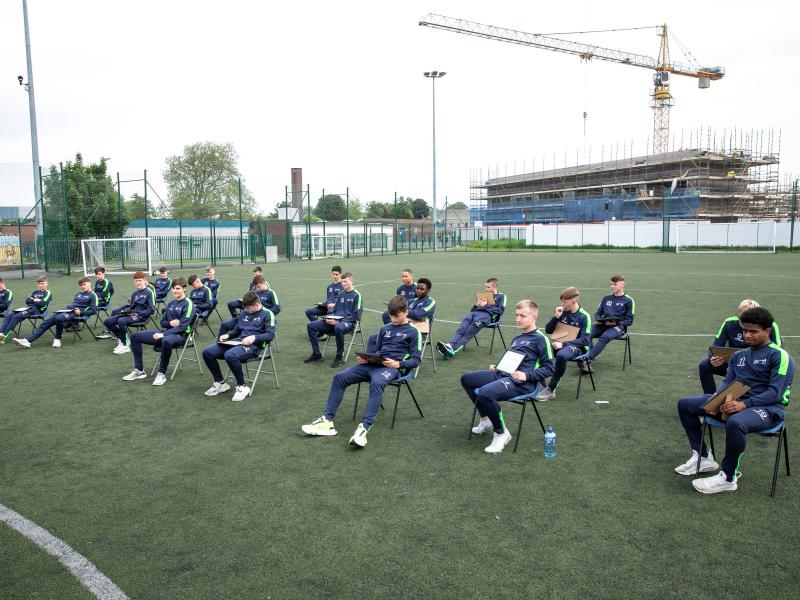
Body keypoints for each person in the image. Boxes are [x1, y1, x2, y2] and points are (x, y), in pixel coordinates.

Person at [675, 307, 795, 494]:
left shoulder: (780, 356)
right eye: (745, 331)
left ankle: (728, 478)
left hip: (768, 409)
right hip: (735, 403)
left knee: (736, 421)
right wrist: (717, 399)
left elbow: (775, 393)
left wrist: (744, 404)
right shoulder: (739, 356)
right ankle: (703, 456)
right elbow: (727, 383)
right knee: (685, 404)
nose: (747, 335)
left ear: (767, 331)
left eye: (753, 331)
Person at [301, 295, 422, 447]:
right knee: (339, 377)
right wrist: (367, 358)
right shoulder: (385, 328)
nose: (393, 319)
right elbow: (377, 351)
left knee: (377, 382)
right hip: (374, 364)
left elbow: (417, 360)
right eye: (390, 315)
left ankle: (364, 428)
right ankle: (327, 421)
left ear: (406, 312)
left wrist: (399, 364)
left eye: (396, 316)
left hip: (391, 368)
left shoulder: (414, 332)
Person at [460, 300, 554, 454]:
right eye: (516, 315)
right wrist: (498, 366)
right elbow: (513, 359)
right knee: (467, 379)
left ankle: (501, 433)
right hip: (503, 375)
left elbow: (549, 368)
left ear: (534, 316)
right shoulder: (517, 339)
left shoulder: (540, 339)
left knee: (485, 392)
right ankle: (486, 420)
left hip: (523, 383)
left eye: (523, 315)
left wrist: (526, 375)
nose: (518, 319)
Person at [202, 291, 276, 402]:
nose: (246, 310)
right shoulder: (244, 312)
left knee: (230, 355)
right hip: (237, 342)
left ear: (257, 305)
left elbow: (270, 335)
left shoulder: (267, 313)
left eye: (248, 308)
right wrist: (228, 335)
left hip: (254, 346)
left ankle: (242, 386)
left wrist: (254, 338)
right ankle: (221, 383)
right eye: (244, 308)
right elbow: (237, 330)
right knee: (207, 352)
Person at [699, 299, 782, 394]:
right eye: (742, 321)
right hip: (733, 364)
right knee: (705, 365)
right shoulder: (729, 323)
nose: (744, 326)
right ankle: (709, 398)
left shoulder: (769, 326)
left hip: (757, 368)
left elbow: (778, 352)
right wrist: (714, 357)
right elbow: (716, 346)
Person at [123, 277, 193, 386]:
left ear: (184, 289)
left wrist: (163, 334)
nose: (175, 291)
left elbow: (183, 327)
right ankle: (139, 370)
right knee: (135, 336)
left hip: (181, 336)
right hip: (167, 332)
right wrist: (170, 324)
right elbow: (162, 322)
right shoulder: (171, 304)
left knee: (166, 340)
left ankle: (161, 373)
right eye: (173, 288)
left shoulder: (188, 304)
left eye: (178, 288)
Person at [536, 287, 592, 401]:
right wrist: (556, 317)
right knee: (539, 349)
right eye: (561, 301)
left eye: (564, 302)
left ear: (574, 301)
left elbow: (585, 340)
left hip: (577, 347)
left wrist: (563, 344)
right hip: (559, 344)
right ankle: (540, 384)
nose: (562, 304)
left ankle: (551, 389)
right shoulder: (563, 312)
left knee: (561, 355)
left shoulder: (584, 316)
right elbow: (548, 330)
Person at [13, 277, 98, 349]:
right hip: (67, 310)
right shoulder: (79, 294)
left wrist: (81, 312)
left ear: (89, 283)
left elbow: (94, 310)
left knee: (59, 318)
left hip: (75, 312)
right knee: (47, 321)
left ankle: (58, 339)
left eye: (84, 284)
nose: (83, 286)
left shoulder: (93, 295)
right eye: (81, 285)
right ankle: (28, 341)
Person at [436, 277, 506, 358]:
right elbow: (472, 310)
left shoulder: (501, 296)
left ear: (495, 287)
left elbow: (500, 311)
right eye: (485, 286)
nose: (486, 289)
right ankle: (449, 345)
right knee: (461, 329)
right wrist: (476, 305)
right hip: (474, 313)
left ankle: (453, 350)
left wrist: (485, 305)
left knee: (468, 332)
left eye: (488, 287)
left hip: (486, 317)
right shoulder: (484, 295)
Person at [304, 271, 363, 368]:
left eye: (346, 281)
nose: (343, 284)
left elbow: (356, 316)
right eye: (342, 282)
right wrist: (328, 317)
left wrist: (339, 321)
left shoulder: (357, 295)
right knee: (311, 325)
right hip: (334, 321)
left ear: (352, 281)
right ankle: (317, 354)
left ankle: (339, 357)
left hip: (348, 323)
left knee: (338, 327)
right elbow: (333, 310)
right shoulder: (340, 294)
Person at [574, 274, 634, 362]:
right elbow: (598, 313)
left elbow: (630, 320)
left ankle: (586, 359)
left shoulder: (628, 300)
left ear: (622, 285)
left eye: (615, 284)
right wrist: (598, 320)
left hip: (618, 327)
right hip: (603, 324)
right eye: (611, 284)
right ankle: (588, 357)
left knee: (604, 337)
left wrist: (617, 323)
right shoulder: (606, 298)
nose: (612, 286)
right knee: (586, 334)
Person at [104, 271, 156, 354]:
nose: (138, 282)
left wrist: (139, 313)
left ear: (144, 280)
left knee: (121, 321)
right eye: (136, 281)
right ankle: (122, 339)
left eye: (140, 280)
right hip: (131, 314)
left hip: (141, 316)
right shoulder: (134, 293)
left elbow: (151, 310)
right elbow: (132, 307)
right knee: (108, 321)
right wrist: (125, 312)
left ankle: (125, 346)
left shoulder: (149, 293)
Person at [0, 276, 51, 343]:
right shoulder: (35, 292)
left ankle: (4, 335)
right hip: (29, 308)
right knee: (9, 315)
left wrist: (34, 300)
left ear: (47, 283)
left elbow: (43, 303)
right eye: (39, 284)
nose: (40, 285)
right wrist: (35, 300)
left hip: (37, 310)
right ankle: (1, 333)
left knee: (16, 317)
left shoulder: (48, 293)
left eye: (42, 283)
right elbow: (27, 301)